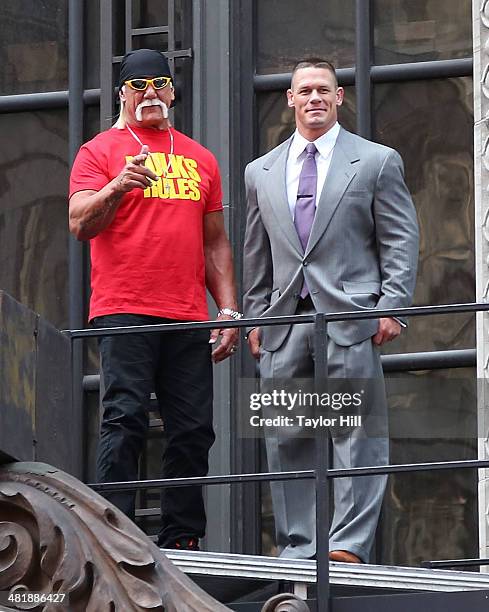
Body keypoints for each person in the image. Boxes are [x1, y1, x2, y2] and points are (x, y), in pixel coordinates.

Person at [243, 58, 419, 563]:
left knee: (357, 436)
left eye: (324, 89)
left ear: (339, 98)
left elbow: (400, 237)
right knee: (287, 438)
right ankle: (300, 546)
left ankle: (347, 546)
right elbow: (256, 250)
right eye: (306, 90)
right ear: (290, 100)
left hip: (350, 318)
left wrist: (393, 306)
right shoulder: (261, 171)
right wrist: (255, 316)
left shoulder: (377, 160)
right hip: (284, 322)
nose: (315, 97)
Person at [69, 49, 240, 551]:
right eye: (138, 84)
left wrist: (228, 309)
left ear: (172, 90)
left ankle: (182, 536)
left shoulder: (200, 157)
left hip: (186, 312)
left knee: (193, 428)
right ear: (122, 92)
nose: (150, 92)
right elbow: (80, 222)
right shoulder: (98, 151)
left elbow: (216, 242)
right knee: (124, 417)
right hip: (124, 306)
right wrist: (120, 184)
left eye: (159, 82)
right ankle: (111, 532)